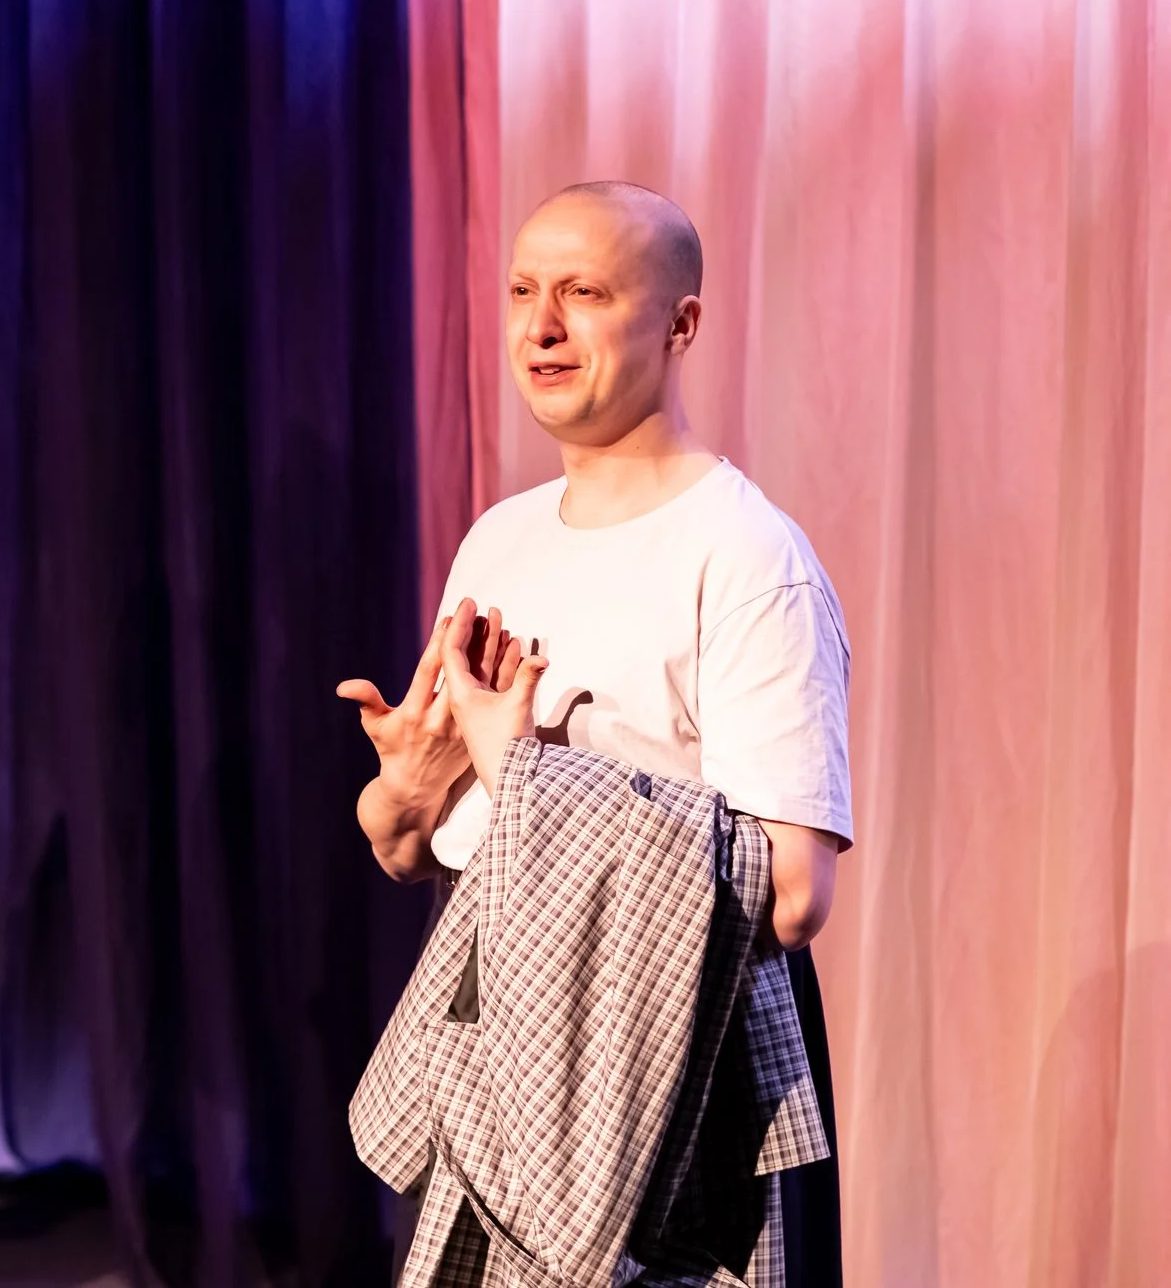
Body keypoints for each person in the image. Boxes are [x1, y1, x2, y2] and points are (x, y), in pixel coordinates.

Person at [342, 181, 852, 1282]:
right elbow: (427, 848)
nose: (539, 327)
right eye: (523, 291)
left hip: (676, 1060)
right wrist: (404, 799)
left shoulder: (746, 553)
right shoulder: (499, 537)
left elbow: (796, 889)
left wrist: (520, 774)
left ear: (680, 323)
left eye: (583, 293)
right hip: (497, 1039)